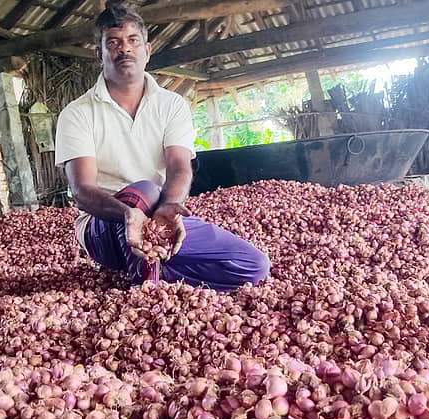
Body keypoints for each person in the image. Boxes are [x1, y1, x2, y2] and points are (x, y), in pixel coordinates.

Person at [54, 0, 270, 291]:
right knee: (143, 190)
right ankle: (146, 295)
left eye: (133, 40)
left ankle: (151, 272)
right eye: (113, 43)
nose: (125, 49)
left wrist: (168, 207)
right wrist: (130, 214)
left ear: (147, 50)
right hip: (103, 228)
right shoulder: (77, 113)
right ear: (99, 55)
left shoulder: (172, 105)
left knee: (254, 267)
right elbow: (82, 192)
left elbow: (179, 168)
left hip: (158, 216)